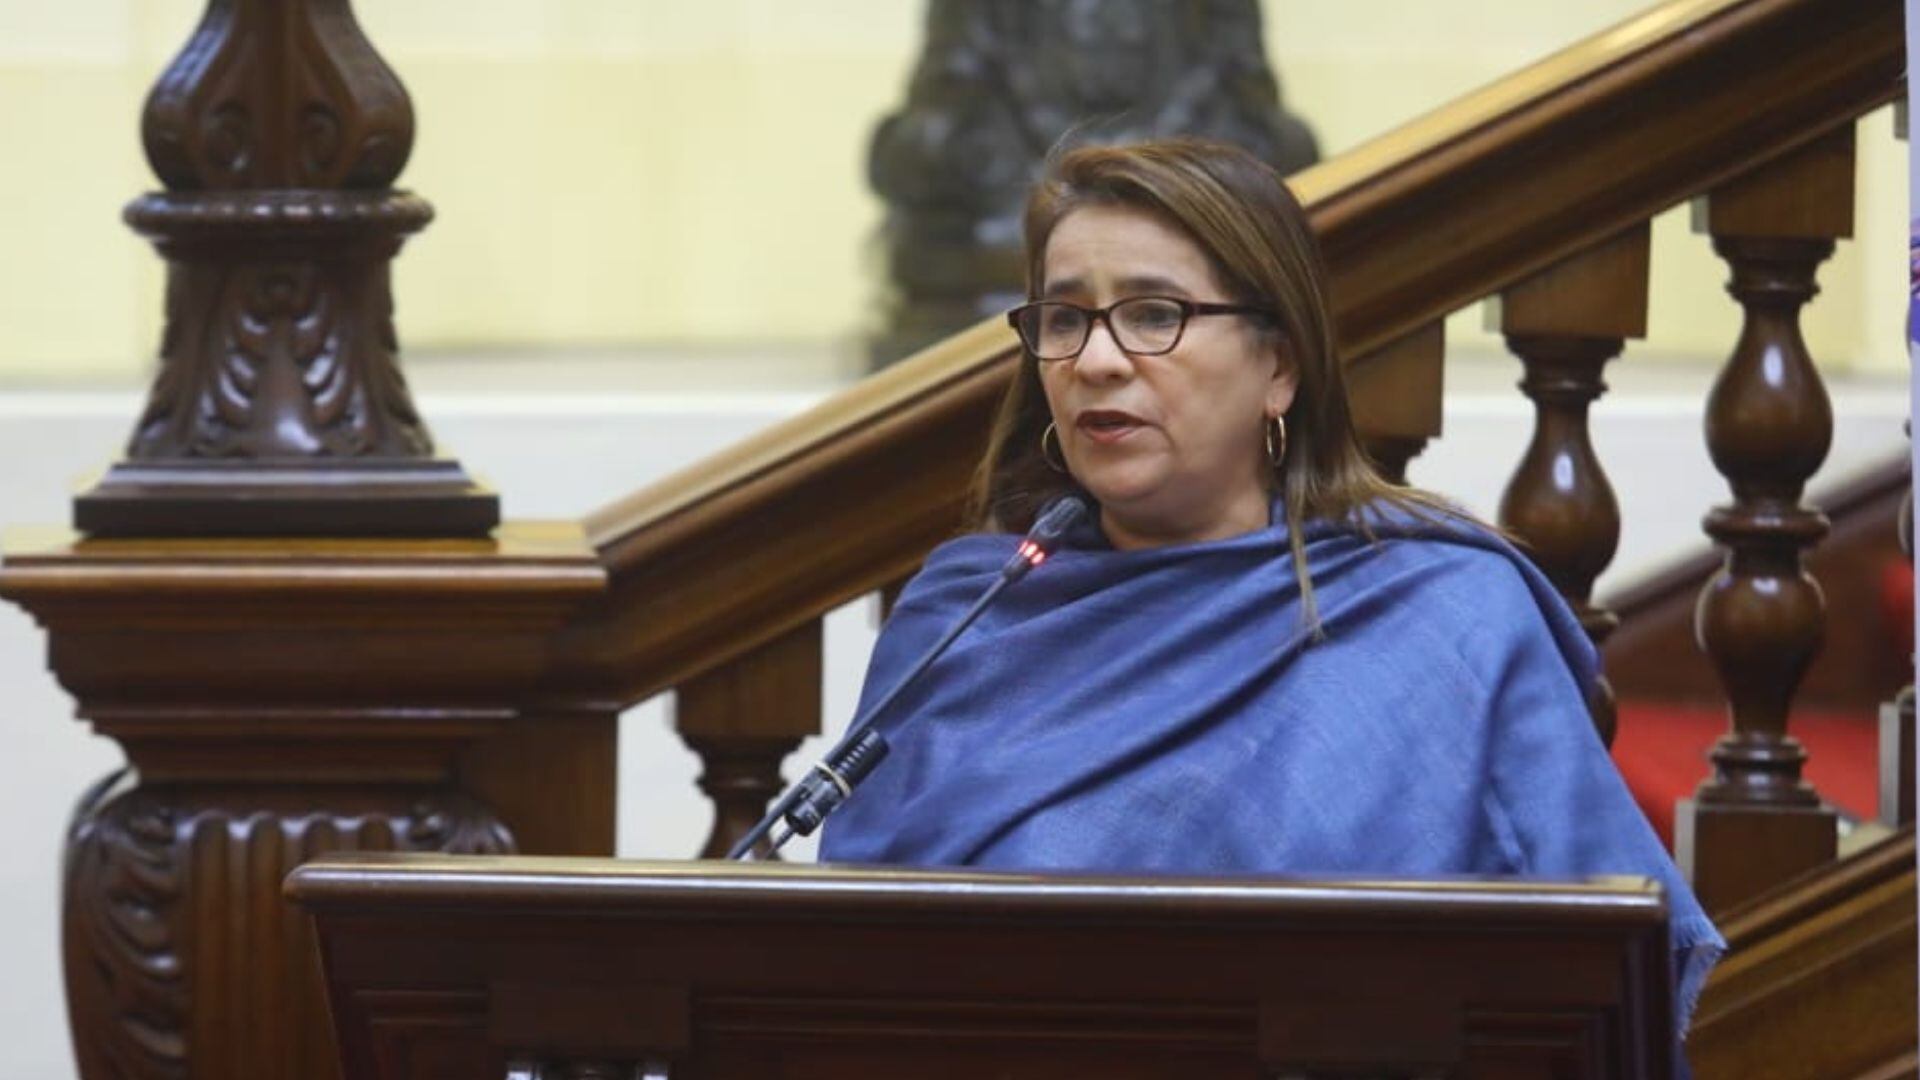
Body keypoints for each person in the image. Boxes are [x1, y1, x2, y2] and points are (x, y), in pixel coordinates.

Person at [819, 137, 1722, 1052]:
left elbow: (1593, 984)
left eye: (1154, 312)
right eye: (1064, 320)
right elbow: (842, 970)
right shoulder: (968, 615)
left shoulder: (1445, 615)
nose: (1095, 360)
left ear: (1279, 368)